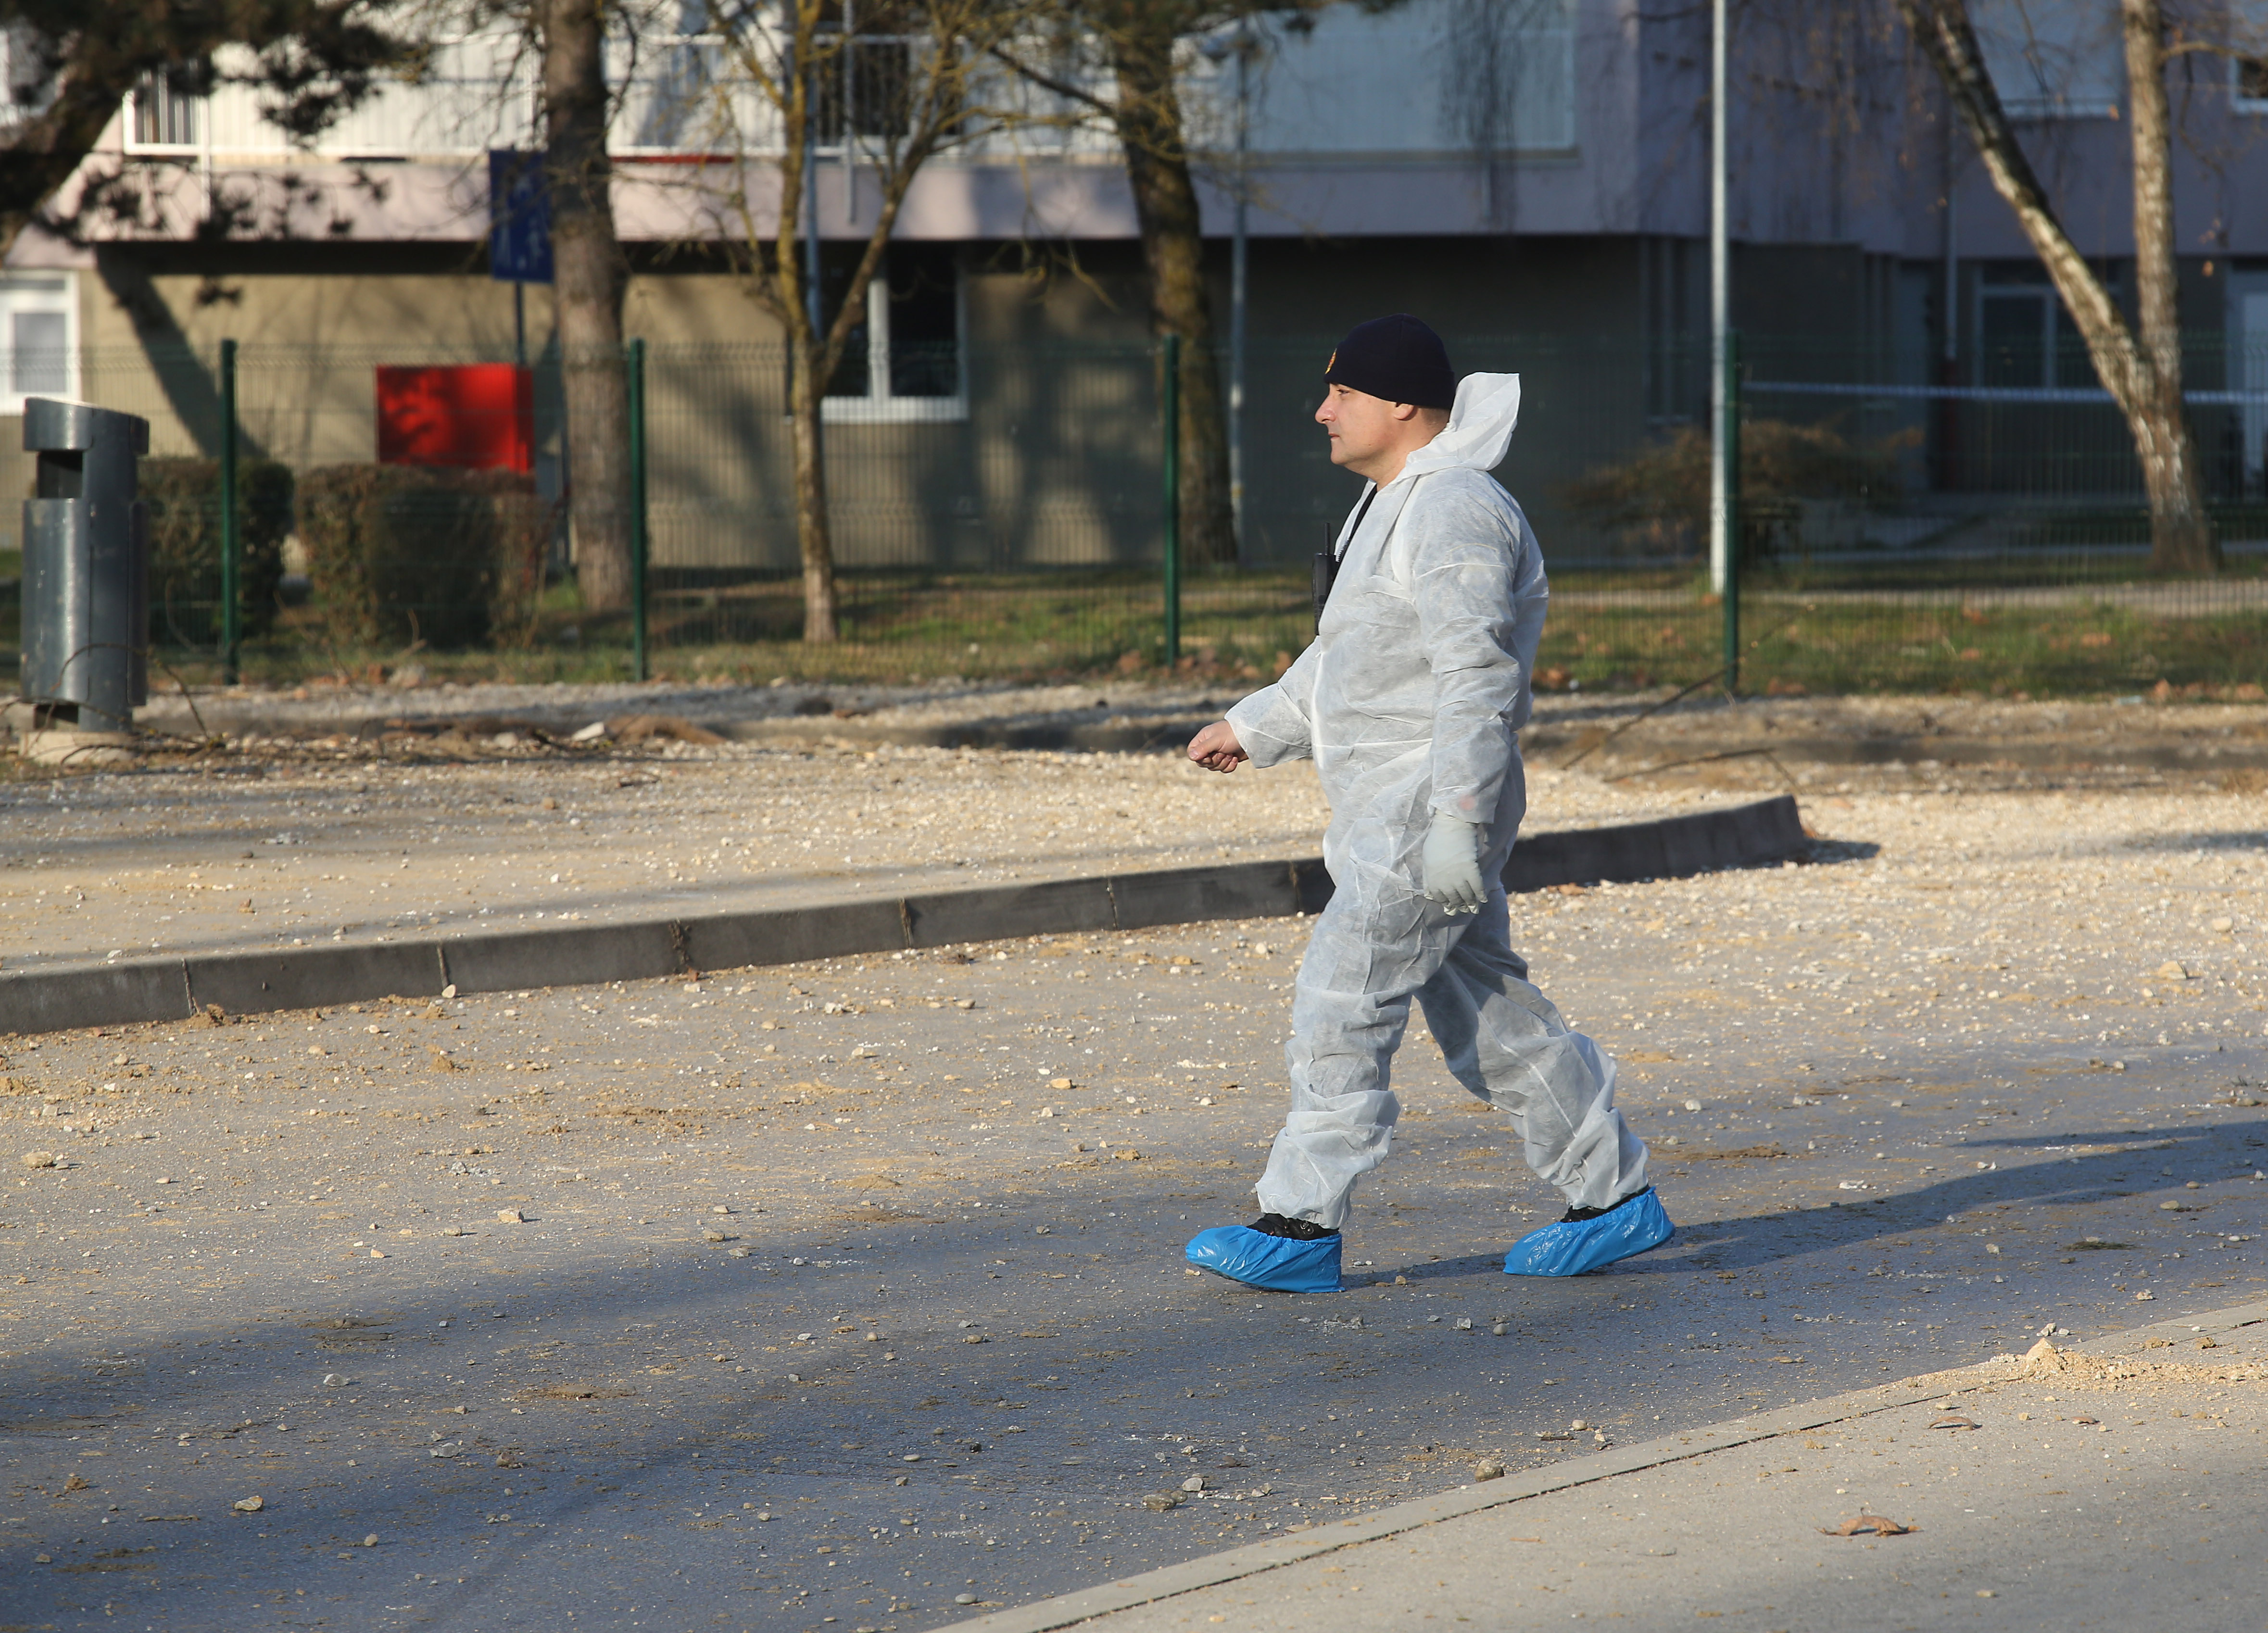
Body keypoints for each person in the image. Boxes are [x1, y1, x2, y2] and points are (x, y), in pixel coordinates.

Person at [1181, 314, 1672, 1294]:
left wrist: (1456, 819)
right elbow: (1352, 655)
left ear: (1402, 402)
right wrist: (1255, 724)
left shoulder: (1455, 508)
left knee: (1342, 994)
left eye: (1343, 393)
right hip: (1396, 804)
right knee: (1488, 1015)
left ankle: (1300, 1222)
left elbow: (1475, 677)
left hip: (1425, 801)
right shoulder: (1393, 502)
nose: (1322, 412)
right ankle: (1613, 1198)